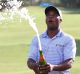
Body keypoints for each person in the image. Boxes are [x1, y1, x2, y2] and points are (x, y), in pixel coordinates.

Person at [27, 6, 76, 74]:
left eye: (54, 15)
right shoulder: (37, 39)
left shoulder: (68, 39)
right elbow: (30, 61)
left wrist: (53, 67)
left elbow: (69, 63)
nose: (50, 17)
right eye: (48, 15)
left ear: (60, 19)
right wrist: (37, 66)